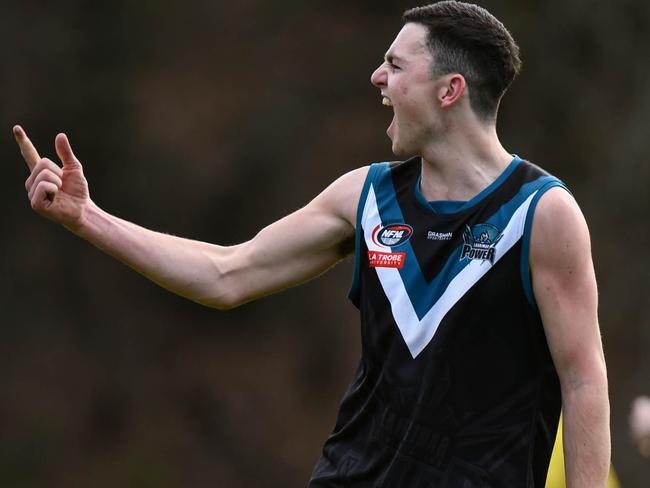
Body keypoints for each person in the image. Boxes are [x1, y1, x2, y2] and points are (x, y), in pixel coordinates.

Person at [15, 1, 610, 486]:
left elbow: (583, 381)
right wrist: (88, 219)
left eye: (396, 66)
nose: (378, 78)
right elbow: (228, 273)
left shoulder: (543, 215)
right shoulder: (365, 196)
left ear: (449, 90)